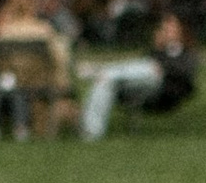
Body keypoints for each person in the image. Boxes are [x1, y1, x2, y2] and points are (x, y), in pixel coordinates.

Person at [79, 8, 197, 141]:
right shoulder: (158, 51)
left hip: (165, 89)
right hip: (141, 84)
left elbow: (184, 74)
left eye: (171, 28)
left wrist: (163, 68)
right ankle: (91, 133)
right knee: (105, 81)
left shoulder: (187, 52)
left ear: (181, 31)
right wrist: (157, 49)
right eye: (164, 28)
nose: (166, 31)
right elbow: (140, 66)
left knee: (150, 68)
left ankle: (103, 70)